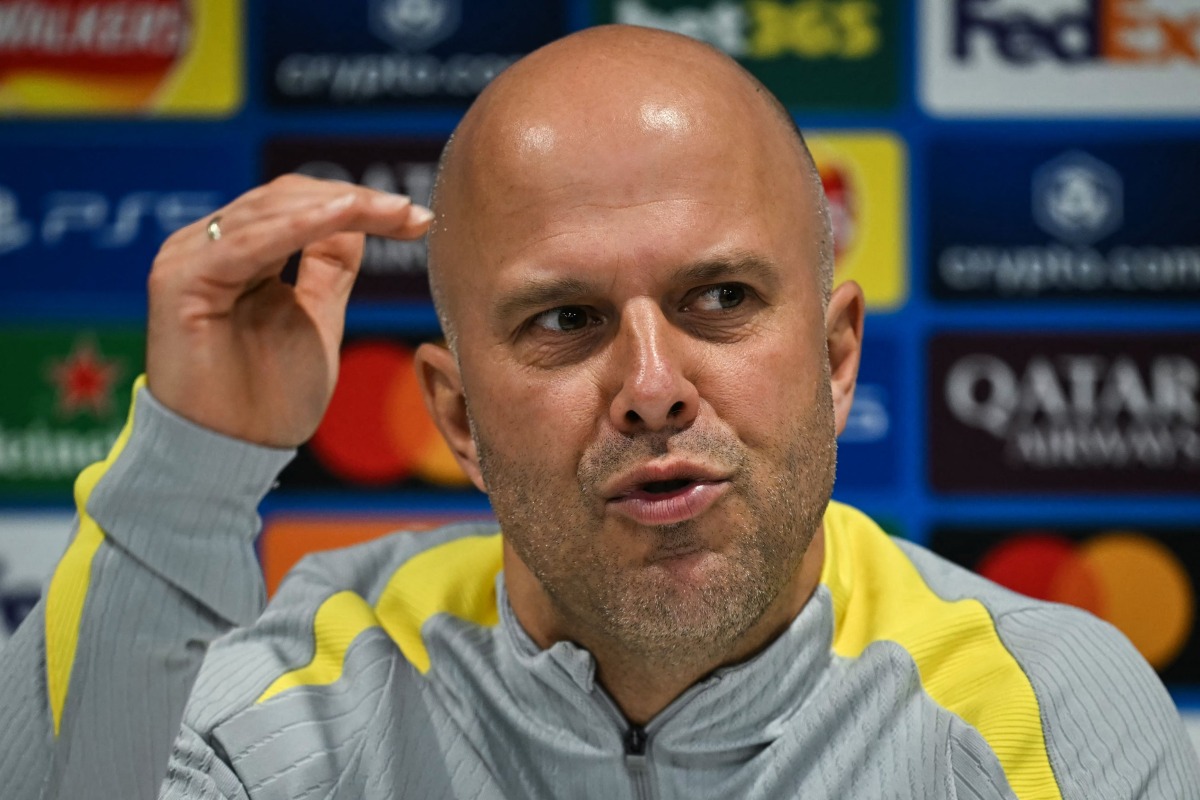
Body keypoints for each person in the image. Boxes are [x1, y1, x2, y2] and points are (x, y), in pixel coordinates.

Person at [1, 24, 1197, 800]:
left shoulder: (1041, 717)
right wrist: (192, 463)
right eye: (565, 321)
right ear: (458, 419)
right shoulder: (297, 715)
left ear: (836, 357)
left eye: (720, 298)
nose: (652, 384)